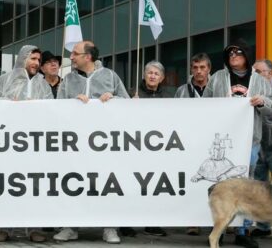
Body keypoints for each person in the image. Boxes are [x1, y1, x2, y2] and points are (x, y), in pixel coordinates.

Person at [203, 41, 272, 248]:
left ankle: (242, 230)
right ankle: (219, 228)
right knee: (220, 182)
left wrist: (262, 102)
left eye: (238, 52)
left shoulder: (261, 81)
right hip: (220, 141)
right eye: (230, 53)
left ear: (247, 55)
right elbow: (203, 105)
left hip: (249, 140)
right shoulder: (217, 77)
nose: (233, 55)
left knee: (246, 184)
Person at [55, 40, 129, 244]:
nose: (71, 57)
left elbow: (127, 104)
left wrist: (113, 99)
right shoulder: (68, 80)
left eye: (75, 53)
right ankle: (70, 226)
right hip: (76, 144)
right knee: (73, 183)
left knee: (107, 183)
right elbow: (57, 109)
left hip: (105, 144)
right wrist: (72, 104)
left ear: (88, 57)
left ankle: (109, 227)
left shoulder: (110, 76)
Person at [0, 45, 52, 243]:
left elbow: (51, 108)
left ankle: (33, 227)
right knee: (8, 184)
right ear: (23, 58)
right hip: (8, 143)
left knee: (34, 185)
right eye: (32, 59)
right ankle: (4, 227)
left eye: (38, 60)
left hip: (34, 144)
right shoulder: (4, 79)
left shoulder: (43, 84)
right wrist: (8, 105)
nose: (36, 63)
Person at [119, 60, 169, 238]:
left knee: (153, 186)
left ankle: (152, 223)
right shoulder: (132, 93)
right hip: (134, 147)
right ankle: (126, 224)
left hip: (156, 150)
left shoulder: (167, 97)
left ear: (162, 78)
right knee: (131, 185)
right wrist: (129, 105)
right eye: (150, 73)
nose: (153, 76)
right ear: (144, 75)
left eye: (156, 74)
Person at [174, 53, 211, 236]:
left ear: (209, 69)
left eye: (202, 67)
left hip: (212, 141)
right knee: (192, 181)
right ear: (191, 69)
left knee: (214, 183)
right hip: (189, 142)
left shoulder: (218, 87)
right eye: (195, 68)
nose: (199, 71)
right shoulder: (182, 90)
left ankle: (219, 221)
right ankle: (193, 221)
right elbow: (175, 114)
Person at [250, 59, 272, 238]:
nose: (255, 75)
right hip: (259, 145)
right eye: (254, 71)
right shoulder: (253, 88)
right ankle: (263, 225)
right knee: (260, 188)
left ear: (270, 73)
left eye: (259, 71)